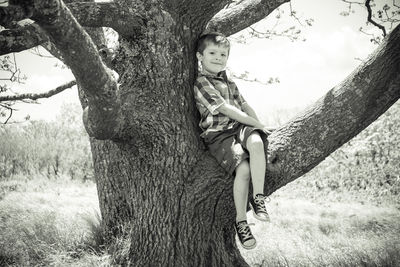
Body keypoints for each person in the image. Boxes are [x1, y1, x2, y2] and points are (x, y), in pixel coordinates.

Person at [193, 32, 272, 250]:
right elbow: (226, 109)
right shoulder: (201, 83)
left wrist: (257, 124)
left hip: (238, 127)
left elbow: (244, 106)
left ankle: (258, 197)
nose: (218, 58)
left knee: (256, 142)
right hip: (219, 134)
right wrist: (252, 122)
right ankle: (241, 221)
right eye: (213, 53)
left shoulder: (230, 83)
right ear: (200, 56)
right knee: (243, 170)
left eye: (223, 54)